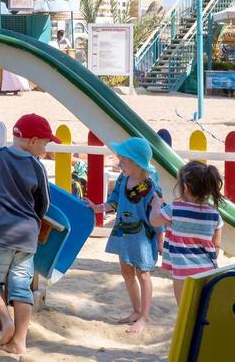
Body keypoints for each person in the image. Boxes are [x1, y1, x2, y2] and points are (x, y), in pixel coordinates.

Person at [0, 113, 57, 355]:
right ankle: (20, 341)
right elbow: (44, 204)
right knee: (21, 289)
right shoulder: (36, 166)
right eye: (45, 143)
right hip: (26, 237)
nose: (45, 148)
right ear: (33, 141)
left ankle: (5, 321)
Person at [85, 137, 162, 334]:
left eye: (122, 160)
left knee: (143, 274)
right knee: (127, 272)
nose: (118, 163)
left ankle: (144, 316)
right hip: (123, 234)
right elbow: (114, 201)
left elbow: (159, 216)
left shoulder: (151, 188)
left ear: (136, 162)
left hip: (143, 239)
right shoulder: (122, 179)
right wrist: (98, 208)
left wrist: (161, 242)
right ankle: (136, 310)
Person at [149, 161, 224, 304]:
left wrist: (156, 206)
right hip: (207, 270)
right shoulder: (215, 215)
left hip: (183, 270)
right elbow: (216, 245)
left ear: (185, 187)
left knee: (184, 308)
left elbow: (155, 221)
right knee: (201, 308)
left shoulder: (175, 209)